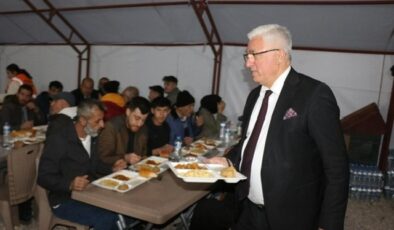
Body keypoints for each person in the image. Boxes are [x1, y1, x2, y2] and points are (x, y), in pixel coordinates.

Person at [206, 24, 349, 230]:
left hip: (292, 217)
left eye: (254, 55)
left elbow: (337, 167)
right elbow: (250, 143)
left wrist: (329, 224)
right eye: (246, 55)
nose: (248, 63)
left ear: (279, 55)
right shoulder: (255, 96)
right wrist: (228, 160)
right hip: (247, 210)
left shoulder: (314, 95)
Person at [38, 99, 117, 229]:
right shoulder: (59, 140)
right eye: (98, 121)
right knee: (107, 218)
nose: (102, 125)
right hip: (64, 199)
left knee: (122, 209)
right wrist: (70, 184)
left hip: (88, 193)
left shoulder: (92, 136)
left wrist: (112, 168)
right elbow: (43, 176)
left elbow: (95, 165)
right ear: (82, 121)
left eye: (102, 120)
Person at [98, 96, 150, 171]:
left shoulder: (143, 128)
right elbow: (102, 158)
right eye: (137, 118)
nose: (140, 124)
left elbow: (143, 154)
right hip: (112, 173)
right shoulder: (111, 127)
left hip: (134, 172)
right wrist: (125, 157)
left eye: (143, 120)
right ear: (128, 112)